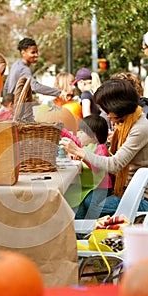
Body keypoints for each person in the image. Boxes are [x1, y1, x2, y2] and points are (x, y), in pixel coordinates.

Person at [60, 79, 148, 218]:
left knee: (88, 202)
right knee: (81, 199)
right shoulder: (127, 123)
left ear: (117, 106)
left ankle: (80, 234)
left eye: (106, 110)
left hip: (140, 198)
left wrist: (78, 151)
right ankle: (79, 235)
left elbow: (114, 165)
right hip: (125, 189)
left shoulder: (140, 128)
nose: (107, 115)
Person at [62, 114, 112, 219]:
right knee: (78, 200)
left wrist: (82, 156)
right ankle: (81, 225)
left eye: (82, 132)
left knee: (91, 204)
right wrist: (60, 129)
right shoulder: (87, 145)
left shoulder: (101, 148)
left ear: (93, 135)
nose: (79, 134)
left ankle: (91, 224)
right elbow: (73, 139)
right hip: (90, 185)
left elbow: (97, 168)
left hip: (101, 187)